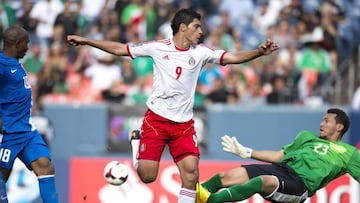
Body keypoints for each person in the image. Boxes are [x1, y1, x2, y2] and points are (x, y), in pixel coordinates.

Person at [67, 8, 280, 203]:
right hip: (156, 121)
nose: (201, 31)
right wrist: (87, 41)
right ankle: (136, 145)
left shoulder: (201, 52)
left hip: (184, 125)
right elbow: (121, 49)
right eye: (197, 26)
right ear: (183, 27)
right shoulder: (158, 48)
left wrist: (258, 52)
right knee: (148, 176)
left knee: (191, 174)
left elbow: (232, 57)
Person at [196, 108, 360, 203]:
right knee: (225, 176)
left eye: (326, 120)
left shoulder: (349, 153)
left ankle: (211, 200)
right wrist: (247, 152)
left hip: (300, 185)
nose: (321, 123)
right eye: (322, 120)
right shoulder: (306, 137)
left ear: (339, 127)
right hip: (281, 169)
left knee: (262, 182)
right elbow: (278, 156)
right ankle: (195, 196)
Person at [0, 25, 58, 202]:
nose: (28, 47)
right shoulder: (2, 65)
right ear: (16, 44)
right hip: (8, 133)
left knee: (45, 166)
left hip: (26, 130)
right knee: (2, 177)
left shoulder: (14, 63)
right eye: (26, 43)